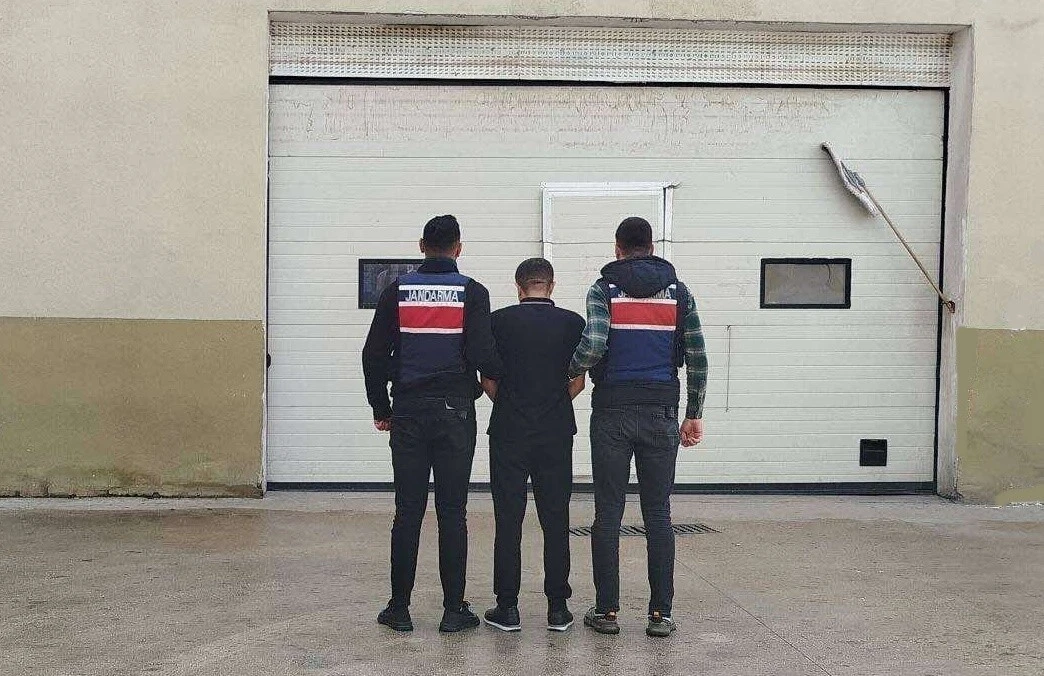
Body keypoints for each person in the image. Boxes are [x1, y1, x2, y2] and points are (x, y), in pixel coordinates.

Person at [567, 216, 708, 638]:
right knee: (658, 514)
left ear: (618, 248)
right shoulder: (679, 293)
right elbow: (697, 356)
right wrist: (693, 412)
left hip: (612, 411)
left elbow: (593, 345)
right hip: (661, 412)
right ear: (651, 246)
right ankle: (660, 615)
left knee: (608, 513)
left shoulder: (603, 290)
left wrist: (568, 371)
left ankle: (607, 612)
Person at [362, 214, 503, 633]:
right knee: (452, 511)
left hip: (407, 411)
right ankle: (453, 610)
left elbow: (373, 355)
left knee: (407, 511)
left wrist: (381, 407)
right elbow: (483, 353)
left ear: (422, 246)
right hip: (455, 412)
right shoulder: (473, 292)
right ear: (459, 248)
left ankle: (399, 609)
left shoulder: (397, 291)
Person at [478, 258, 586, 633]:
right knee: (556, 519)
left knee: (508, 520)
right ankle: (558, 609)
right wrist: (551, 406)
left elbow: (487, 380)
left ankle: (507, 607)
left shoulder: (497, 322)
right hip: (556, 432)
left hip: (508, 430)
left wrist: (511, 405)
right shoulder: (573, 324)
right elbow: (578, 383)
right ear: (551, 286)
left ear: (518, 286)